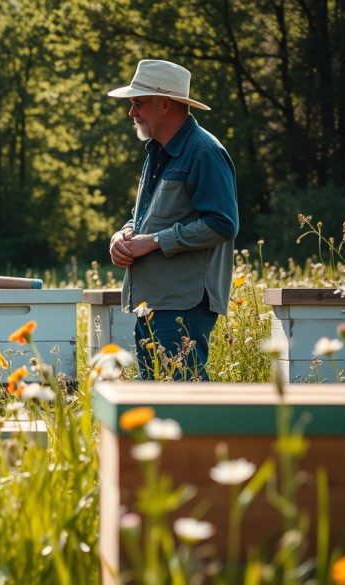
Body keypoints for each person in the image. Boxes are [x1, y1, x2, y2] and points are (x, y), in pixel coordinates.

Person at [107, 60, 239, 380]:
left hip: (184, 302)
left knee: (184, 401)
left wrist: (150, 242)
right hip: (153, 300)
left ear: (164, 104)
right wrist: (123, 236)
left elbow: (223, 223)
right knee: (160, 400)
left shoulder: (204, 152)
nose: (131, 113)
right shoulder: (157, 150)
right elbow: (149, 216)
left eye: (138, 103)